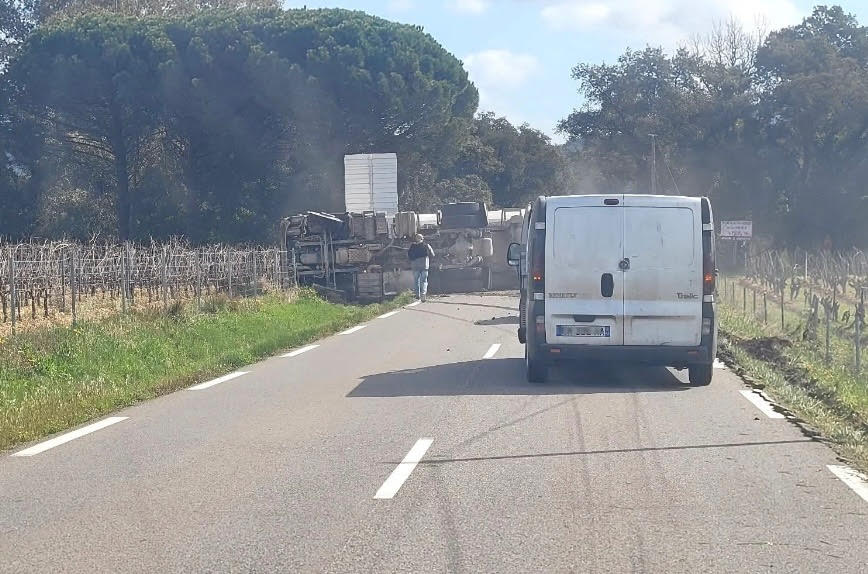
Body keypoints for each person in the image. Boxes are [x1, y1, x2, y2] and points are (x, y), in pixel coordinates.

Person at [408, 233, 435, 301]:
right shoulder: (426, 245)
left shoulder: (412, 246)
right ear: (422, 238)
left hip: (415, 266)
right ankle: (423, 295)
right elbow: (432, 254)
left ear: (416, 239)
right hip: (424, 266)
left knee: (416, 281)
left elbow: (409, 255)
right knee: (424, 281)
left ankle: (417, 295)